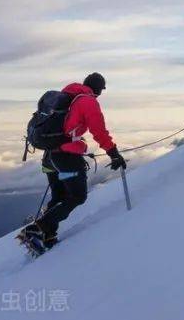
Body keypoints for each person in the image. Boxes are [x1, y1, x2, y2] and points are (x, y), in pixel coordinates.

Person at [18, 73, 125, 253]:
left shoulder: (66, 96)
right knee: (77, 195)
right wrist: (113, 153)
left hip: (50, 159)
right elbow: (99, 131)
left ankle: (48, 237)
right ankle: (37, 229)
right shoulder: (88, 102)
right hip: (65, 159)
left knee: (59, 196)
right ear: (98, 89)